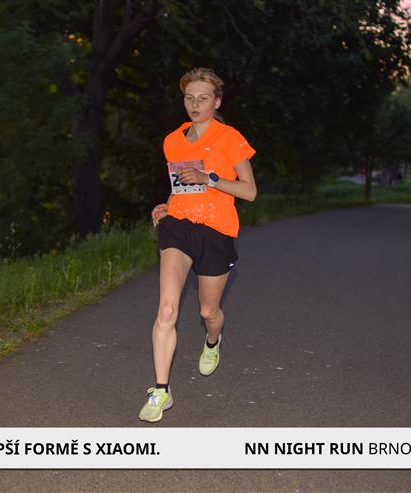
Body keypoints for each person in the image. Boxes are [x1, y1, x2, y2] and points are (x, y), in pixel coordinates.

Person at [140, 67, 257, 423]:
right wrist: (166, 206)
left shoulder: (230, 138)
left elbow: (250, 191)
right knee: (167, 310)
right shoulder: (172, 140)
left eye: (203, 98)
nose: (195, 104)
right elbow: (181, 186)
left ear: (217, 102)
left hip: (216, 231)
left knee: (208, 312)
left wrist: (211, 178)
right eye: (189, 98)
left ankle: (212, 340)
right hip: (178, 228)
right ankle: (161, 390)